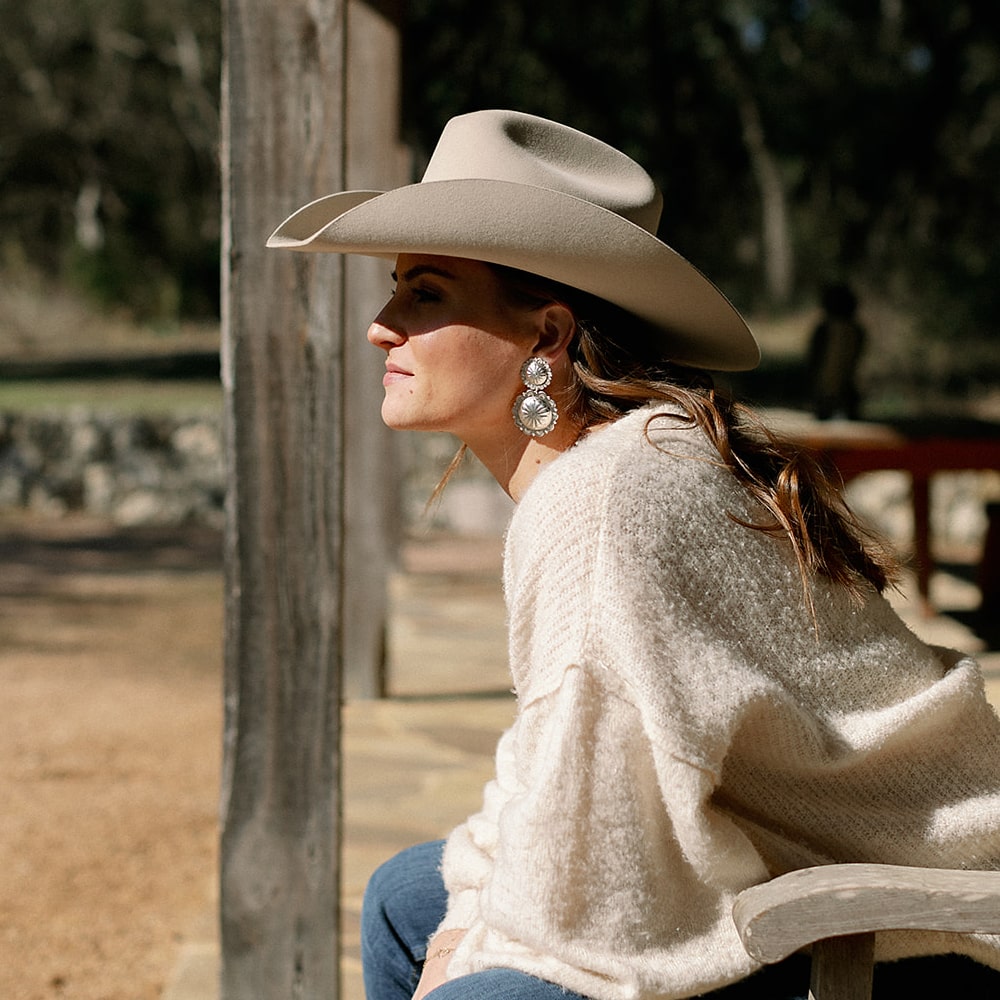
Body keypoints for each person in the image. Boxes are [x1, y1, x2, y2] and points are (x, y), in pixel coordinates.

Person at [268, 110, 1000, 999]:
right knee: (405, 901)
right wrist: (469, 915)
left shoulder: (608, 497)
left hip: (913, 926)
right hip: (793, 860)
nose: (382, 326)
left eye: (424, 294)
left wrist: (477, 949)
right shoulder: (625, 457)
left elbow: (596, 851)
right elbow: (559, 750)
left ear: (545, 335)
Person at [806, 282, 867, 420]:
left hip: (839, 389)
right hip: (832, 390)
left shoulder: (834, 330)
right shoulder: (854, 330)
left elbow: (815, 360)